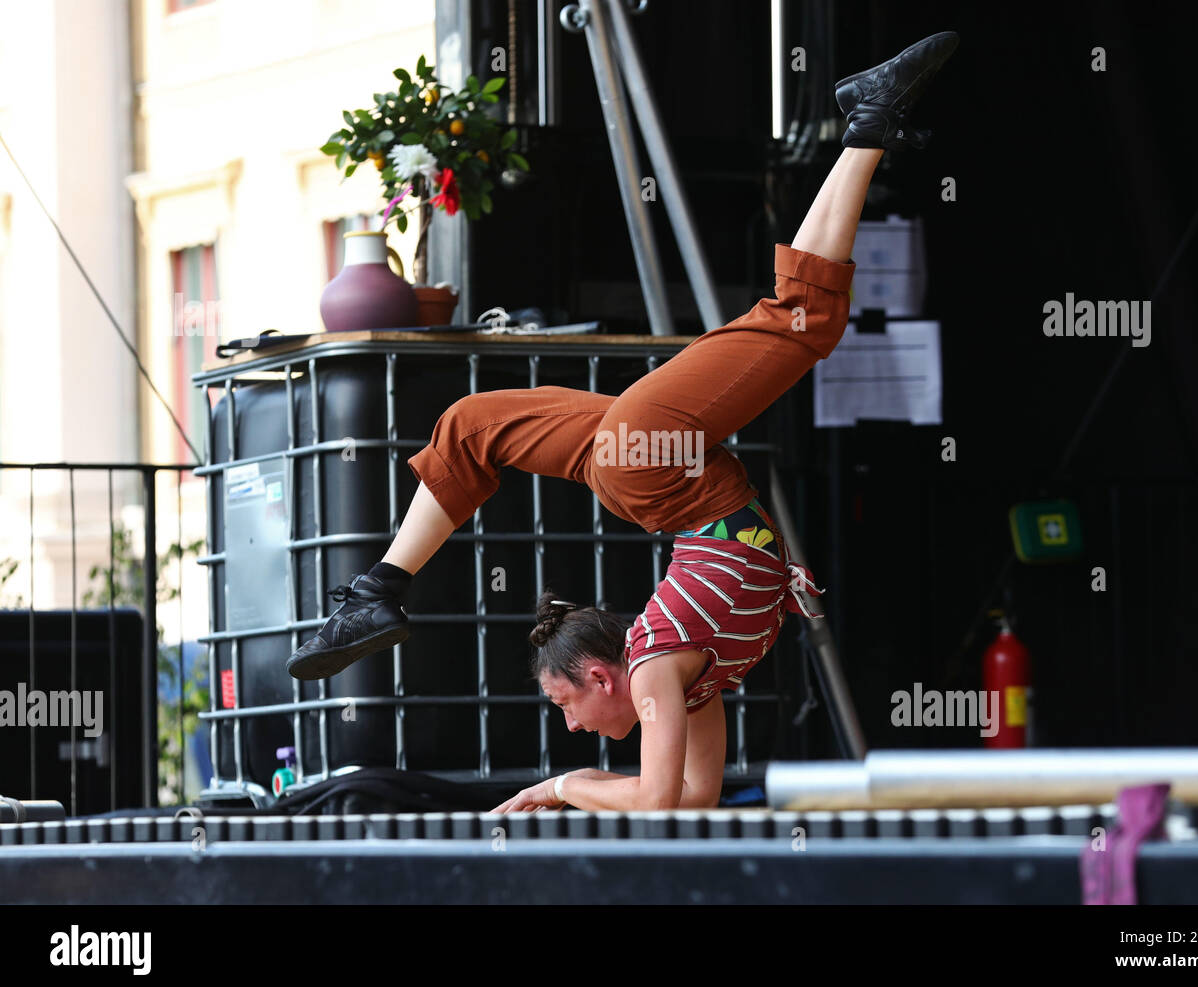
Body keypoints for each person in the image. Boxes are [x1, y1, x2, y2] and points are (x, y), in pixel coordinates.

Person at [284, 30, 960, 812]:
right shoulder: (696, 674)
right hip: (658, 472)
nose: (572, 726)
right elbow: (693, 799)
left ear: (600, 675)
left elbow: (662, 802)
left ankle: (867, 125)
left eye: (565, 704)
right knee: (485, 422)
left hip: (655, 467)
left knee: (794, 321)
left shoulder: (653, 662)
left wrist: (564, 784)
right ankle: (379, 587)